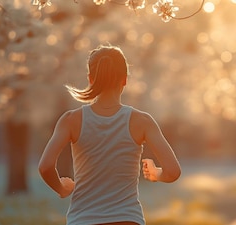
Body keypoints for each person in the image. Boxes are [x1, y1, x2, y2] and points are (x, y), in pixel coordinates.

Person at [38, 45, 182, 225]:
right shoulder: (142, 121)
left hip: (83, 220)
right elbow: (173, 172)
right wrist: (156, 173)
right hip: (128, 220)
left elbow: (45, 167)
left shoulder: (70, 120)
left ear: (90, 79)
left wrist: (61, 188)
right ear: (125, 80)